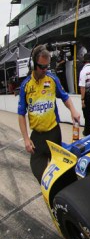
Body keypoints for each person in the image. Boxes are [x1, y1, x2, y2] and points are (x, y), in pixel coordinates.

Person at [18, 45, 81, 181]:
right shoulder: (25, 86)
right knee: (41, 176)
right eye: (42, 67)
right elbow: (21, 114)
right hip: (37, 138)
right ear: (34, 64)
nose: (45, 70)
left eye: (47, 66)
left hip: (54, 133)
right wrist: (26, 139)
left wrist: (73, 110)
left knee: (62, 174)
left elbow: (65, 97)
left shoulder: (52, 79)